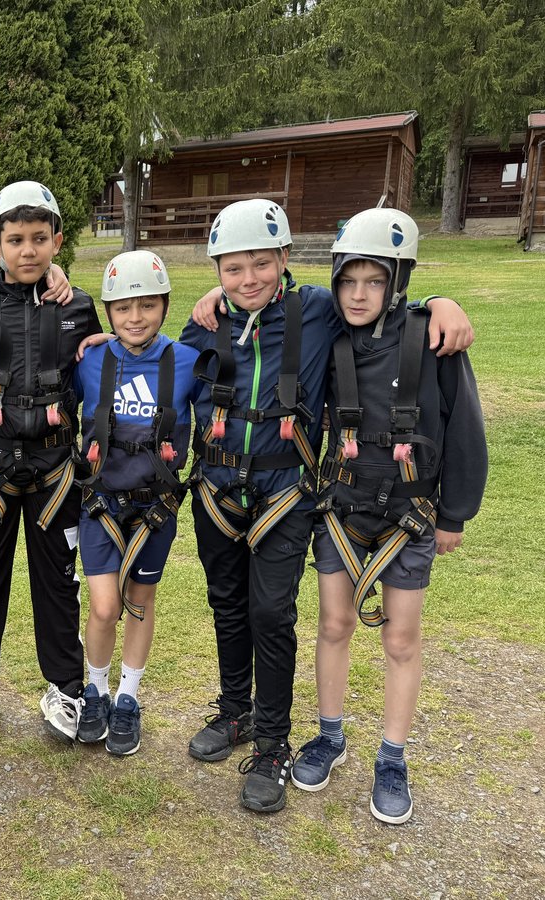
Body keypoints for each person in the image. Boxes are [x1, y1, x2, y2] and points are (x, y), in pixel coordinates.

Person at [181, 199, 474, 814]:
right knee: (227, 604)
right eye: (232, 269)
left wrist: (441, 303)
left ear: (286, 258)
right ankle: (234, 710)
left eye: (262, 264)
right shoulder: (206, 322)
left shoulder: (316, 310)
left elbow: (389, 305)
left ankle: (272, 744)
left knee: (271, 613)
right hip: (217, 488)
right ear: (216, 270)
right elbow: (163, 366)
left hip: (286, 493)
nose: (249, 279)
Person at [290, 209, 486, 824]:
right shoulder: (331, 337)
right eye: (348, 281)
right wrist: (215, 297)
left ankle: (393, 758)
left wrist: (454, 514)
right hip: (343, 507)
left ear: (398, 282)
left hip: (411, 511)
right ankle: (329, 734)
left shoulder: (433, 340)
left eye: (374, 281)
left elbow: (464, 428)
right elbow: (272, 305)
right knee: (333, 623)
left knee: (401, 638)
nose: (357, 294)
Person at [0, 180, 102, 742]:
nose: (28, 250)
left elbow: (108, 364)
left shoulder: (77, 307)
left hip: (55, 469)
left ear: (57, 241)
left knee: (59, 581)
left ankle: (66, 687)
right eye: (15, 240)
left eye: (40, 238)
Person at [72, 251, 199, 756]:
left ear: (165, 304)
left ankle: (128, 698)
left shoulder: (187, 361)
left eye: (148, 305)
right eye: (123, 308)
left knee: (140, 602)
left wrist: (215, 294)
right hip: (101, 502)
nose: (136, 317)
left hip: (154, 507)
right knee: (105, 606)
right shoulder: (90, 360)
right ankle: (95, 690)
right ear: (108, 312)